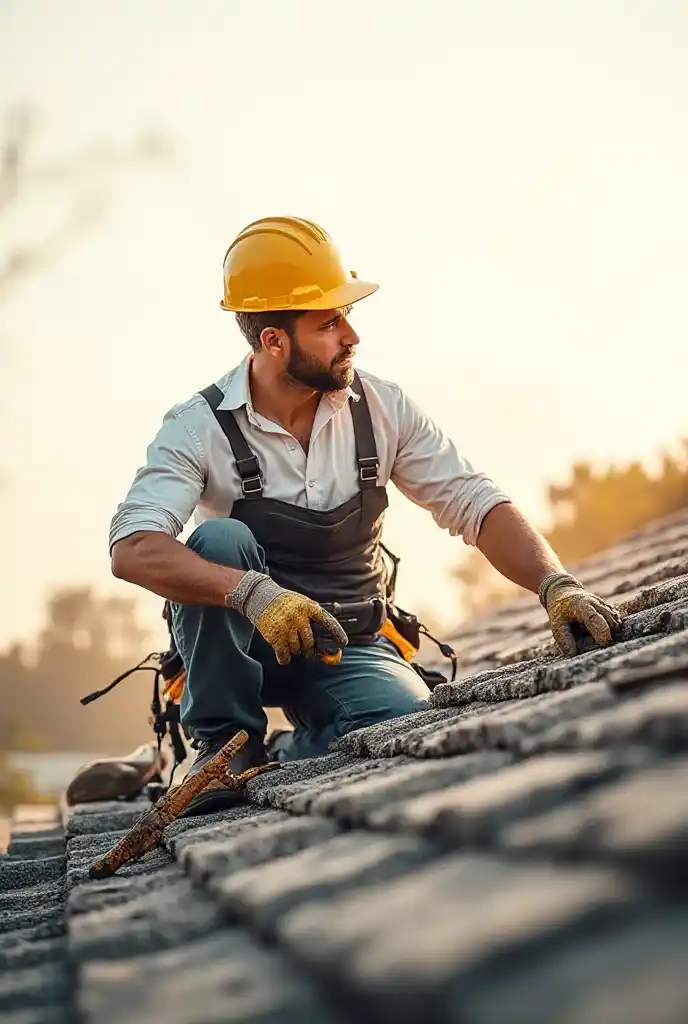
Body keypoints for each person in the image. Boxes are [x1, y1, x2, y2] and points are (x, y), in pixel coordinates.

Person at [109, 216, 621, 813]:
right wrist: (252, 594)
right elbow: (133, 546)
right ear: (273, 341)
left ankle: (281, 751)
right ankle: (225, 748)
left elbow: (474, 501)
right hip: (237, 652)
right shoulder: (199, 427)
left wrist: (555, 584)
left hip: (345, 641)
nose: (352, 335)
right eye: (329, 323)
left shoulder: (381, 408)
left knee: (404, 724)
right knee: (219, 539)